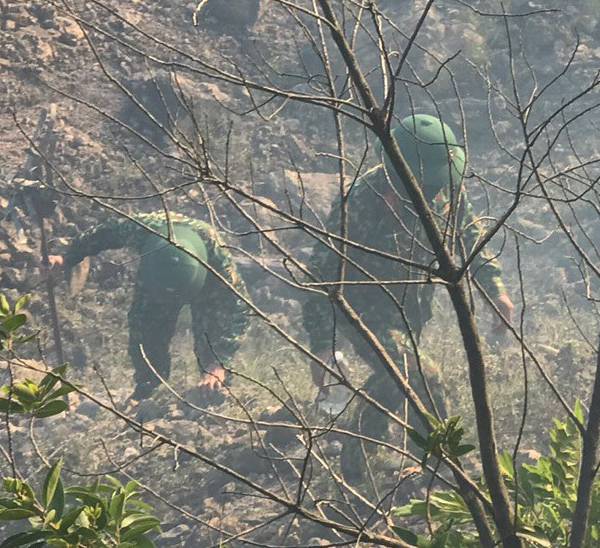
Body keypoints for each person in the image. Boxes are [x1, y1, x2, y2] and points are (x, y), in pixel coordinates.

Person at [302, 114, 515, 484]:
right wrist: (322, 345)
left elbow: (468, 234)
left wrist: (494, 288)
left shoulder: (447, 184)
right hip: (365, 310)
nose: (435, 192)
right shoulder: (361, 200)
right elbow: (322, 271)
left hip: (413, 308)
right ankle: (442, 469)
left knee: (396, 378)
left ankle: (357, 466)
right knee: (420, 374)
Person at [45, 211, 250, 404]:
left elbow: (240, 310)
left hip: (208, 289)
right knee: (145, 331)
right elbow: (104, 232)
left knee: (211, 345)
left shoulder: (220, 261)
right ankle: (148, 388)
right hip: (156, 281)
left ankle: (213, 395)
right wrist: (67, 258)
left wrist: (218, 363)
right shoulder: (143, 229)